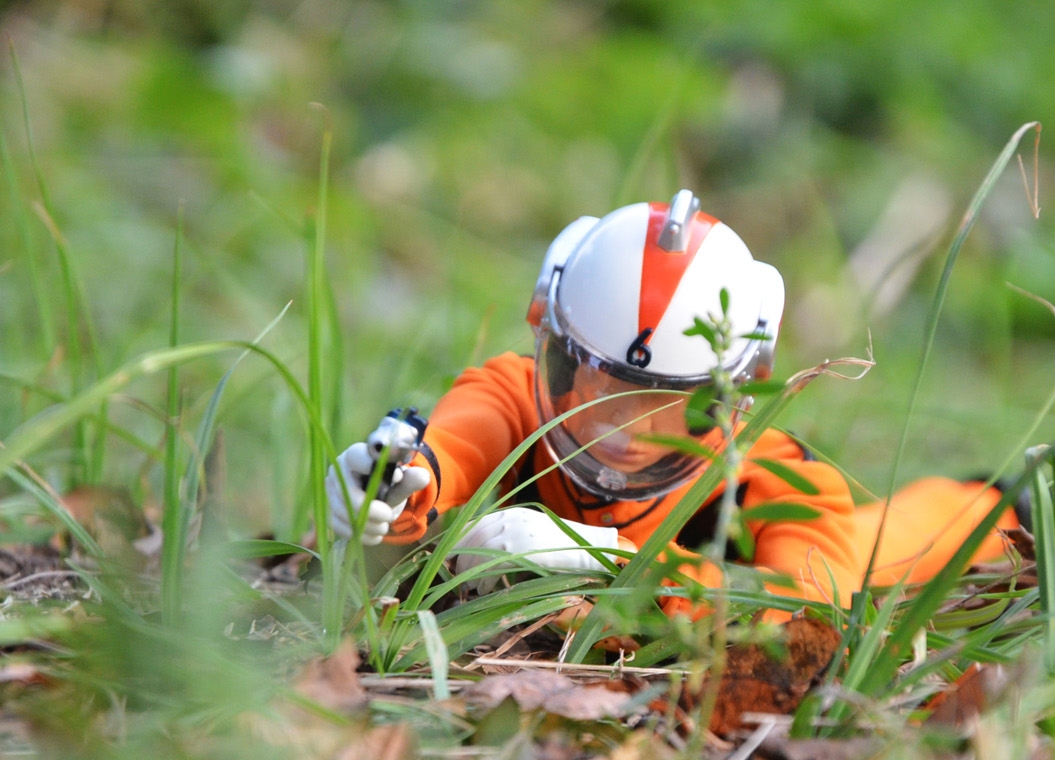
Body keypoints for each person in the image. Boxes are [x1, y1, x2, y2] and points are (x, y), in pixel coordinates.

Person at [326, 190, 1019, 614]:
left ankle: (1000, 505)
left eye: (669, 402)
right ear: (555, 351)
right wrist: (390, 495)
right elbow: (452, 448)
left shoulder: (771, 478)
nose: (625, 428)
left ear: (732, 394)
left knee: (883, 547)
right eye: (601, 383)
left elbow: (808, 609)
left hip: (859, 540)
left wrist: (611, 562)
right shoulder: (510, 394)